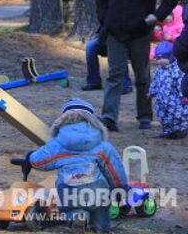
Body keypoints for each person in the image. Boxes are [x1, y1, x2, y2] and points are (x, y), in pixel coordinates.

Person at [96, 0, 179, 131]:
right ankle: (109, 117)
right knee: (114, 75)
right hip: (115, 33)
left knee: (142, 76)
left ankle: (145, 117)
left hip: (140, 34)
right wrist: (104, 20)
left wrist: (157, 16)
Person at [29, 99, 128, 232]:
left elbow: (37, 161)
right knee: (101, 211)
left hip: (69, 191)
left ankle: (76, 216)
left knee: (71, 206)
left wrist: (29, 157)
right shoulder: (102, 145)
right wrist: (121, 189)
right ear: (92, 120)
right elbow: (115, 172)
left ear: (63, 120)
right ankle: (100, 228)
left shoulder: (57, 144)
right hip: (96, 192)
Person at [148, 41, 188, 139]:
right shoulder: (158, 70)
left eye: (164, 58)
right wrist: (151, 92)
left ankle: (180, 130)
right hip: (161, 100)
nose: (161, 61)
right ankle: (167, 130)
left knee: (177, 116)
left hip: (175, 100)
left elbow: (180, 83)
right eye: (159, 58)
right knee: (163, 115)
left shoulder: (176, 70)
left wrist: (184, 96)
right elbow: (155, 82)